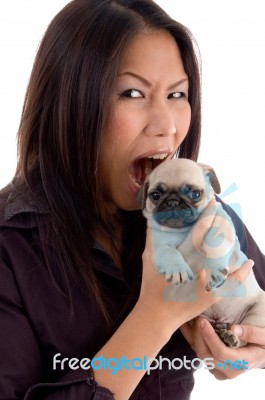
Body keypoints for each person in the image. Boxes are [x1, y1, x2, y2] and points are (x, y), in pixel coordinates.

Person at [0, 0, 264, 399]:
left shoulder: (197, 209)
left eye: (177, 94)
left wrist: (249, 345)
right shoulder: (10, 244)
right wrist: (156, 316)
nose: (167, 126)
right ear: (71, 103)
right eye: (133, 92)